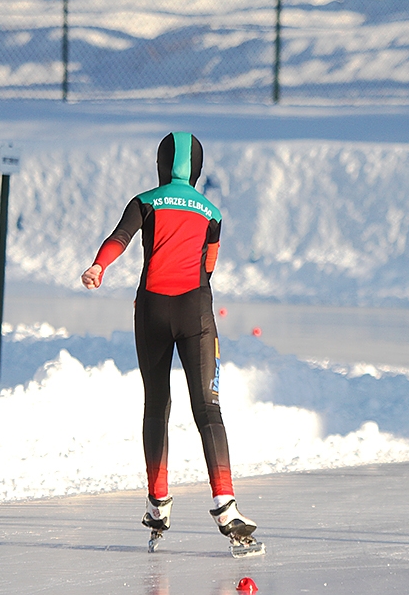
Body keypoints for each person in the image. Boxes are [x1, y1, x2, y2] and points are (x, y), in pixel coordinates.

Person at [81, 132, 256, 544]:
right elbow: (208, 266)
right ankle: (226, 505)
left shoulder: (145, 200)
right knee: (208, 411)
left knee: (156, 405)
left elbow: (118, 239)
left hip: (152, 313)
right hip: (195, 313)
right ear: (196, 169)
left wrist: (98, 266)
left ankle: (157, 503)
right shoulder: (212, 212)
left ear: (161, 165)